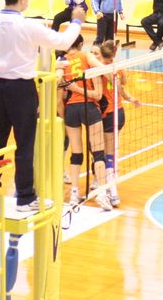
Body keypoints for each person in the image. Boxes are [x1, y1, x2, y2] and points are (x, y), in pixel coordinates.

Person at [0, 0, 85, 213]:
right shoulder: (28, 26)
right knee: (24, 143)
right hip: (21, 89)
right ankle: (24, 197)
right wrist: (76, 22)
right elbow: (63, 42)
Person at [57, 35, 113, 211]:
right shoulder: (87, 59)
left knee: (76, 153)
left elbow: (58, 85)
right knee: (98, 152)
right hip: (89, 107)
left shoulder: (62, 62)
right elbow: (98, 94)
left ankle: (74, 193)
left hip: (71, 110)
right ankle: (102, 193)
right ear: (81, 44)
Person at [98, 40, 138, 207]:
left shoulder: (98, 68)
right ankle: (108, 183)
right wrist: (132, 99)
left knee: (105, 152)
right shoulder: (119, 68)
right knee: (113, 150)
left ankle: (112, 192)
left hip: (107, 114)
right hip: (119, 112)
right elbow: (122, 87)